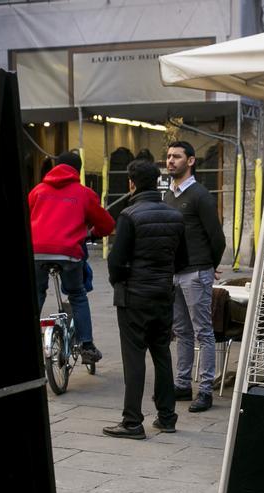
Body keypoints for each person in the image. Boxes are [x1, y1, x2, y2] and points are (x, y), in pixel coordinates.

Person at [102, 159, 188, 440]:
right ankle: (167, 417)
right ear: (157, 182)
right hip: (163, 295)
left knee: (134, 357)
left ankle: (132, 421)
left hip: (134, 297)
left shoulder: (129, 215)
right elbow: (183, 259)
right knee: (162, 354)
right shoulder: (175, 216)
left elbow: (116, 262)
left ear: (131, 183)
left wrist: (121, 280)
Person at [28, 150, 115, 362]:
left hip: (37, 252)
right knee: (77, 295)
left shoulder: (37, 191)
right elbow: (107, 225)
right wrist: (91, 233)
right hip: (68, 253)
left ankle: (26, 342)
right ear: (79, 169)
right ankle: (87, 345)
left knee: (37, 293)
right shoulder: (84, 193)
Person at [164, 140, 226, 413]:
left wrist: (208, 265)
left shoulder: (200, 195)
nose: (170, 161)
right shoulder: (168, 195)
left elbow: (217, 238)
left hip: (196, 272)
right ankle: (182, 385)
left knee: (203, 332)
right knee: (182, 331)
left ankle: (205, 390)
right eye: (168, 157)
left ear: (190, 161)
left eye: (176, 156)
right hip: (175, 274)